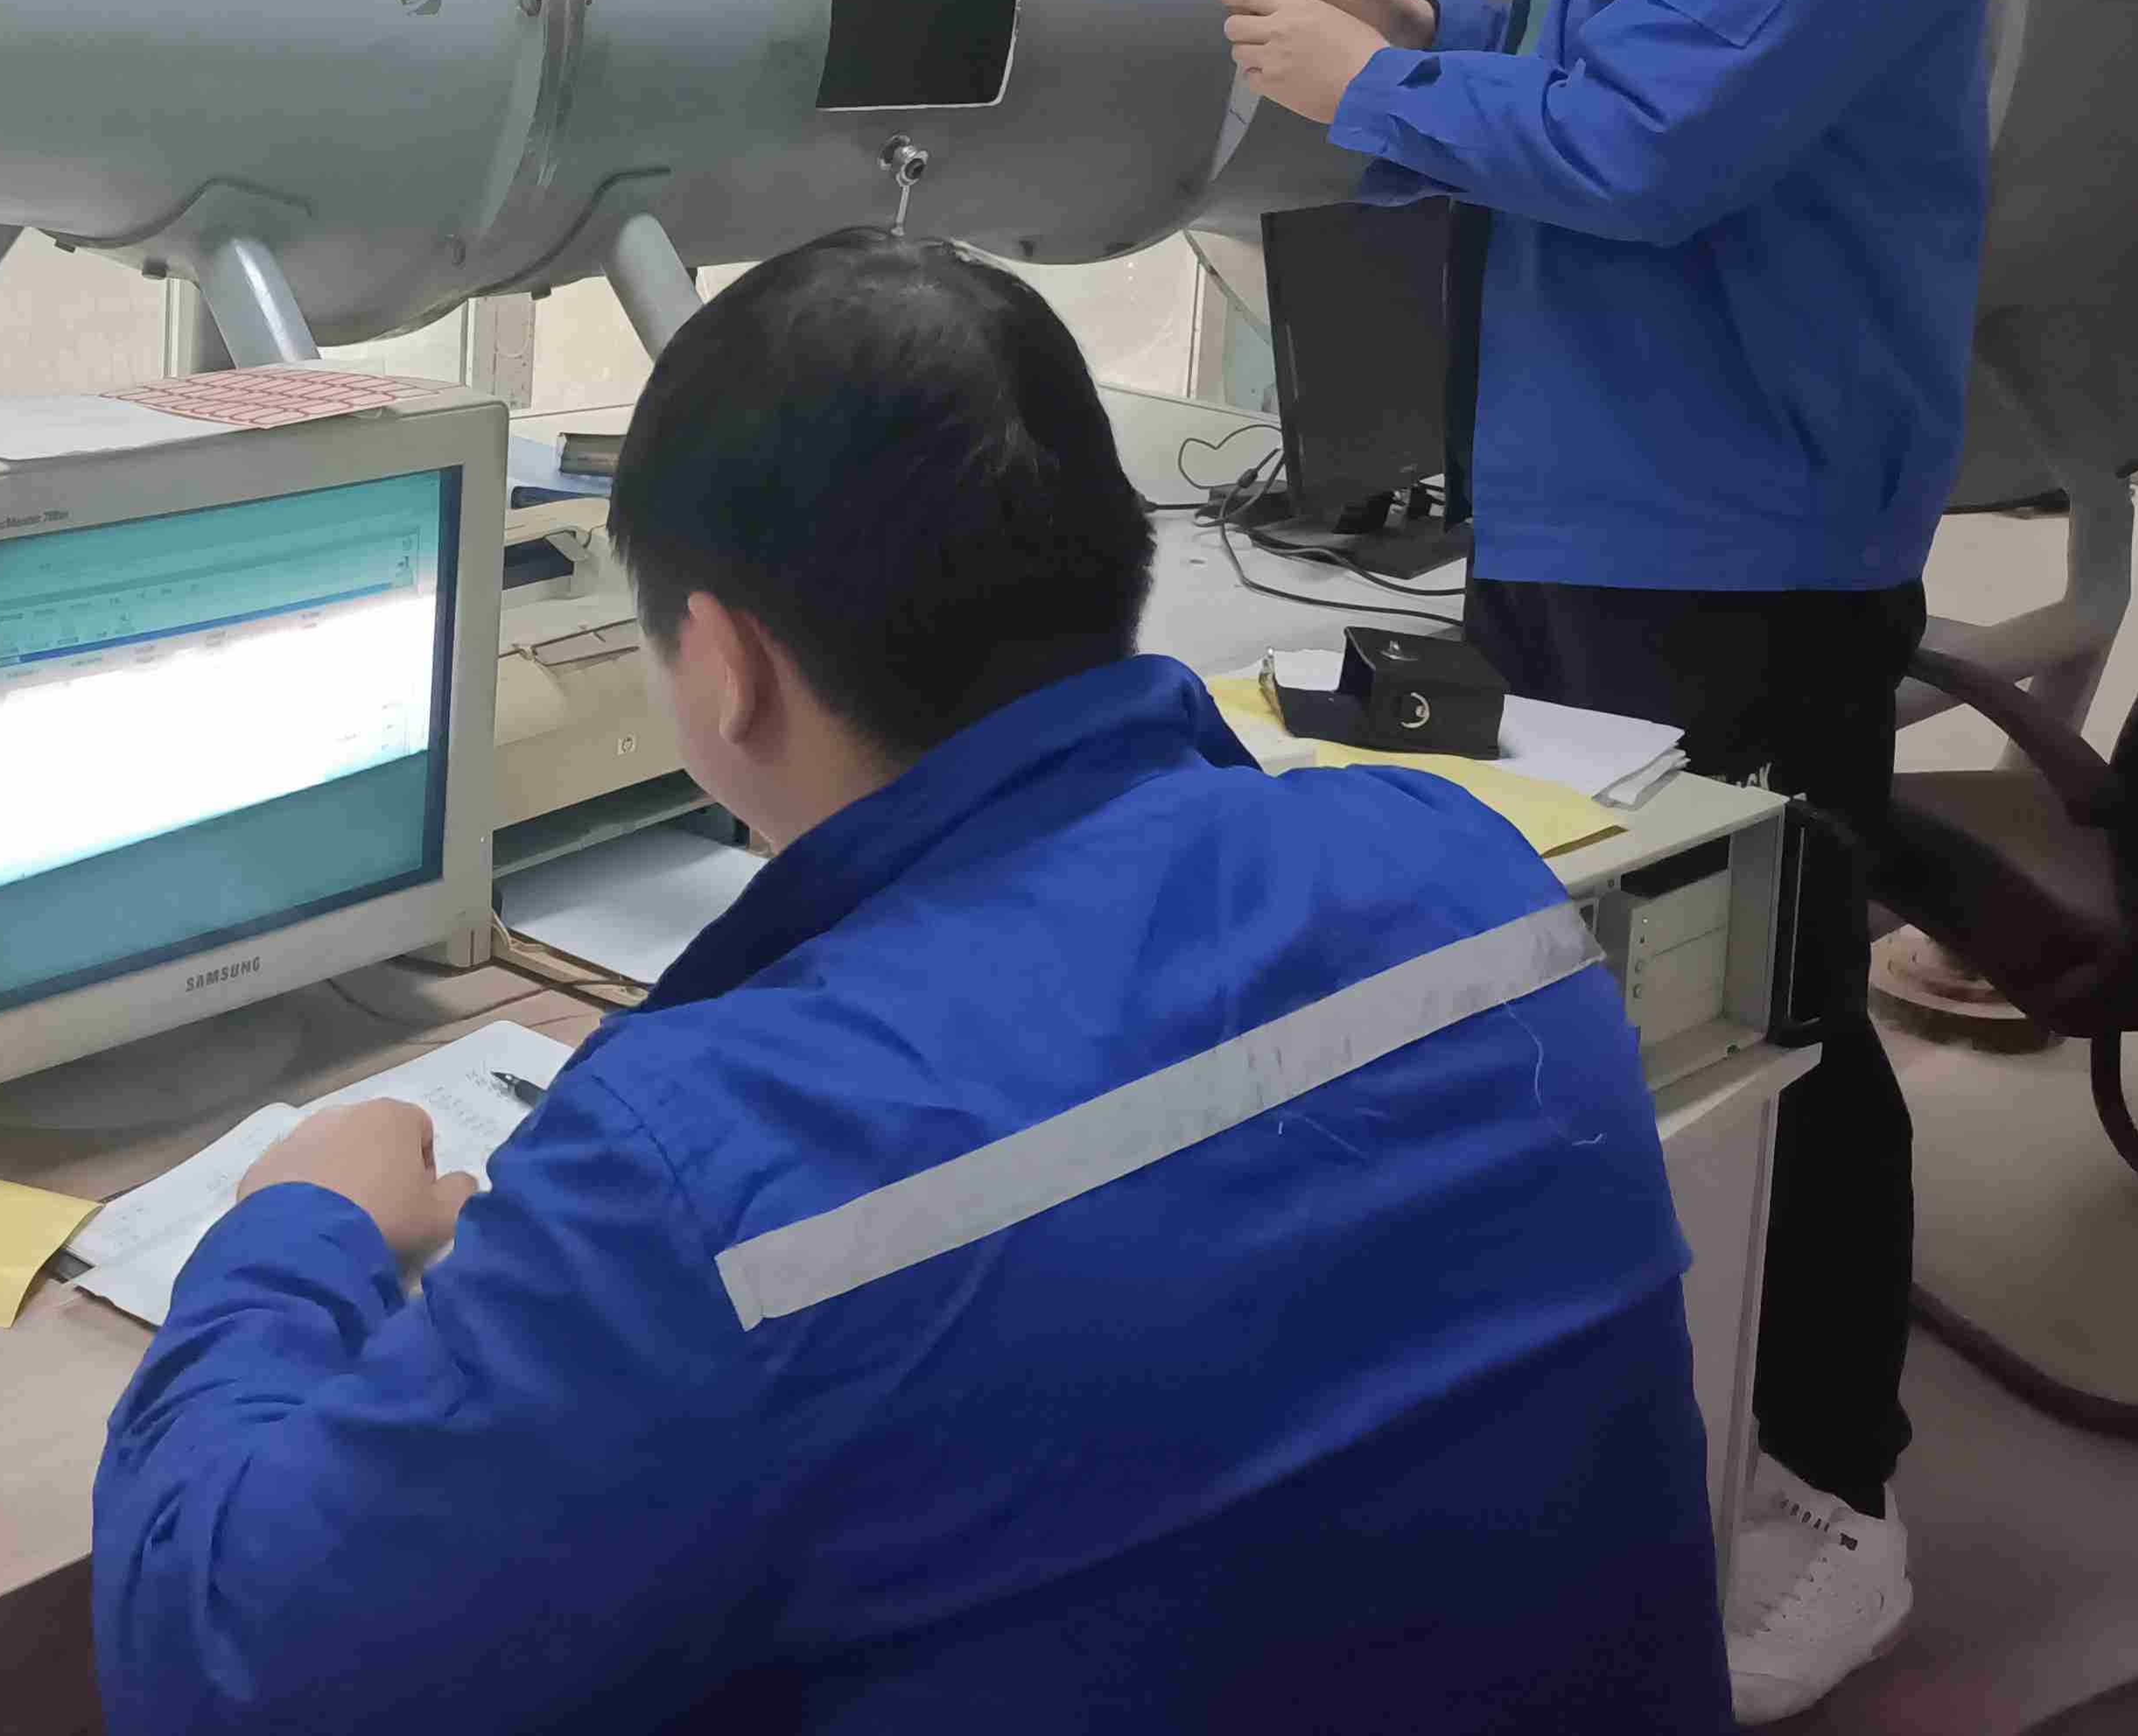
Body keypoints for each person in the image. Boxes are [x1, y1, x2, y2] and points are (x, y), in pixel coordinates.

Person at [96, 228, 1726, 1735]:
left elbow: (224, 1660)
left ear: (724, 667)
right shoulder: (1463, 872)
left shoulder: (708, 1170)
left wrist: (296, 1227)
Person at [1216, 0, 1990, 1723]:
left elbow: (1652, 146)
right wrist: (1424, 27)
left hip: (1736, 541)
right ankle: (1619, 1418)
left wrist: (1361, 94)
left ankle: (1831, 1494)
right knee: (1592, 999)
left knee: (1781, 1018)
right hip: (1588, 507)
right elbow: (1605, 65)